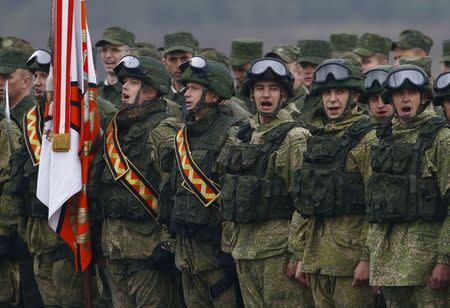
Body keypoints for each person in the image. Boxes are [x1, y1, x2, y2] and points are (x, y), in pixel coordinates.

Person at [219, 57, 314, 307]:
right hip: (244, 251)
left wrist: (298, 254)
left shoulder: (295, 137)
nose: (266, 95)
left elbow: (304, 203)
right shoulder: (240, 135)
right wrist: (229, 245)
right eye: (260, 88)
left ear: (284, 95)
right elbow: (229, 190)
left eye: (273, 89)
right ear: (251, 93)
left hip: (278, 254)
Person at [88, 55, 182, 308]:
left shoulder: (163, 130)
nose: (125, 88)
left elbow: (174, 191)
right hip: (114, 249)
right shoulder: (114, 128)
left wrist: (167, 243)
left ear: (150, 90)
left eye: (133, 82)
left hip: (148, 251)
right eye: (124, 82)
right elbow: (97, 185)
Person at [291, 59, 377, 308]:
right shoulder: (315, 136)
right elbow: (304, 202)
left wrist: (366, 258)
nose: (331, 99)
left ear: (354, 95)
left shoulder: (368, 138)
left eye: (339, 91)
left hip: (350, 263)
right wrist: (301, 255)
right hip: (317, 260)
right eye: (327, 92)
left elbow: (377, 206)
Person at [159, 56, 244, 307]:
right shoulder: (182, 136)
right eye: (187, 88)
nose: (187, 94)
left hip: (217, 256)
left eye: (195, 88)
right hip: (187, 255)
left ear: (214, 95)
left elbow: (233, 199)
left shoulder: (232, 135)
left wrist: (229, 252)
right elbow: (171, 191)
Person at [365, 64, 450, 307]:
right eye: (398, 93)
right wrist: (375, 261)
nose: (405, 98)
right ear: (390, 98)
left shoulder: (441, 139)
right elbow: (375, 207)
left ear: (423, 97)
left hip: (427, 267)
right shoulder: (383, 139)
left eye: (411, 92)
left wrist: (445, 260)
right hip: (390, 266)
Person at [0, 47, 38, 307]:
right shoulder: (9, 117)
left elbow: (14, 182)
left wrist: (7, 231)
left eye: (6, 77)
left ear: (26, 80)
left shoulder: (31, 120)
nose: (0, 84)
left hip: (24, 232)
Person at [293, 40, 331, 126]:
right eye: (304, 66)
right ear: (299, 69)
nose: (308, 71)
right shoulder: (296, 103)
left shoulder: (335, 102)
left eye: (314, 65)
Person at [95, 26, 135, 107]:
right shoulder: (96, 92)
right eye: (104, 50)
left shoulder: (135, 93)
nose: (108, 55)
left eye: (115, 50)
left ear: (130, 53)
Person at [161, 32, 198, 106]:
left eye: (184, 58)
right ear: (164, 62)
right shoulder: (159, 93)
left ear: (194, 59)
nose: (179, 65)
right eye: (173, 59)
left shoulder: (202, 94)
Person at [229, 38, 263, 113]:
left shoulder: (266, 93)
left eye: (242, 70)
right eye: (234, 69)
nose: (236, 76)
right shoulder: (238, 89)